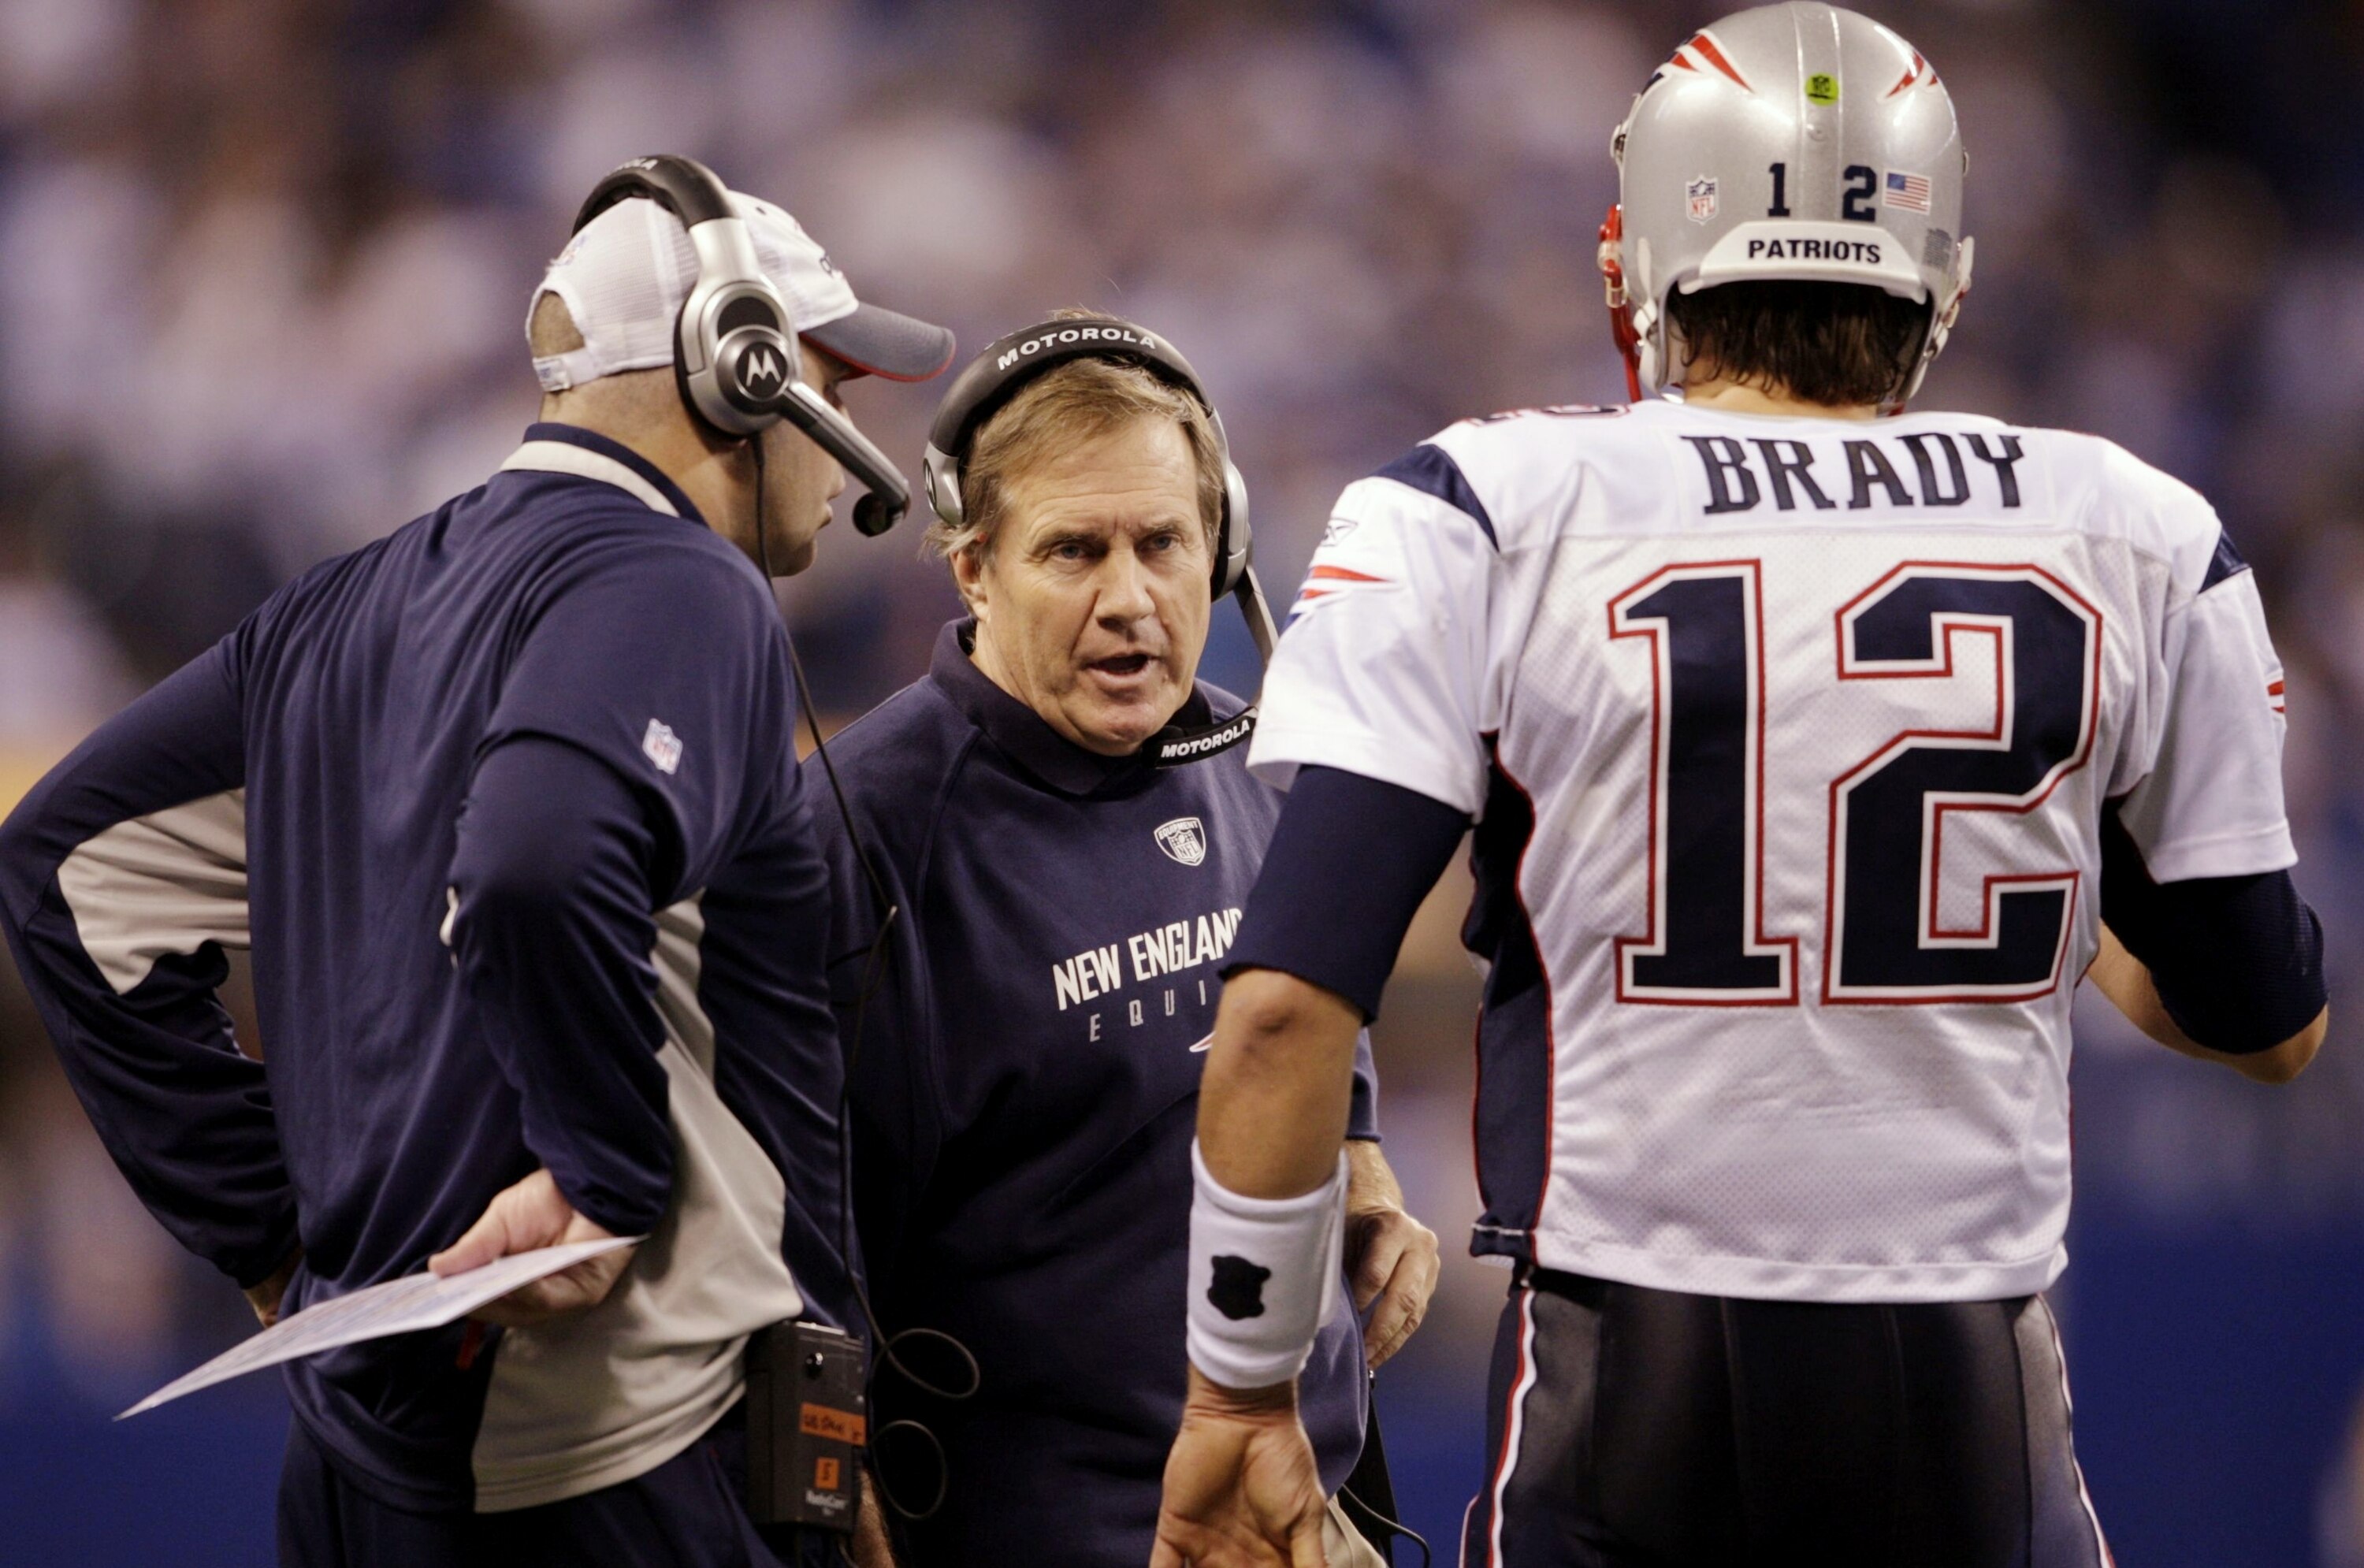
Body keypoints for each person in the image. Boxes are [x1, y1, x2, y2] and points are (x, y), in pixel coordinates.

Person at [1154, 8, 2330, 1566]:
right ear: (1943, 280)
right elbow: (2267, 1020)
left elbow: (1288, 1006)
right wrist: (2055, 898)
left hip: (1627, 1376)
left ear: (1648, 258)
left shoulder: (1487, 503)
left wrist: (1240, 1387)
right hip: (1976, 1392)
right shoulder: (2134, 524)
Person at [0, 155, 953, 1566]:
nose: (857, 419)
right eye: (837, 370)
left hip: (357, 1464)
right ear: (743, 368)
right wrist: (608, 1175)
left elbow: (63, 871)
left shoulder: (336, 608)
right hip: (623, 1457)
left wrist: (277, 1244)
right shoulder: (682, 583)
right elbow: (532, 866)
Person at [808, 314, 1439, 1567]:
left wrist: (1360, 1161)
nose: (1130, 599)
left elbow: (1311, 1026)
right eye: (1072, 550)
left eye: (1162, 543)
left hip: (1307, 1515)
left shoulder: (1264, 761)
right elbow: (788, 1253)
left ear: (1223, 546)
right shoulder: (857, 833)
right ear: (972, 564)